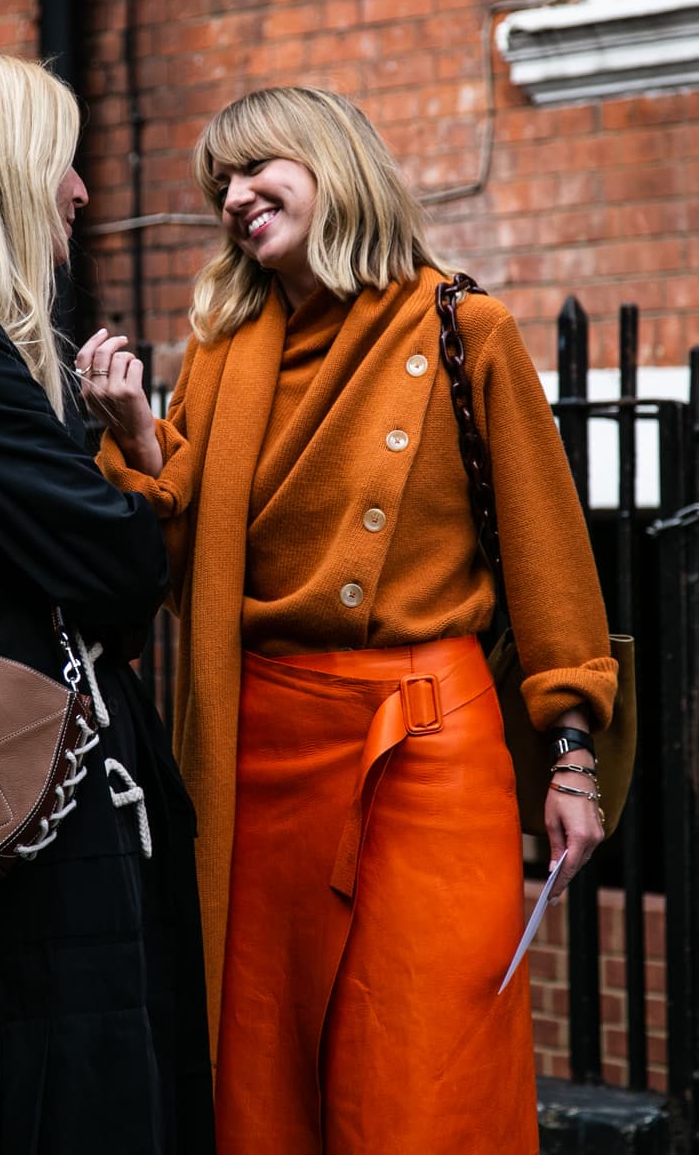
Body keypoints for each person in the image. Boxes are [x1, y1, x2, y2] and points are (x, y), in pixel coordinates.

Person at [88, 86, 619, 1154]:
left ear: (331, 162)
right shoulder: (223, 350)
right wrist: (142, 441)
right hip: (256, 752)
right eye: (219, 186)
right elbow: (173, 565)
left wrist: (569, 758)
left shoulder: (465, 328)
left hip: (425, 746)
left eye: (256, 168)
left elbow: (548, 562)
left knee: (421, 1071)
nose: (234, 197)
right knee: (257, 1073)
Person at [0, 46, 214, 1154]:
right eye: (65, 160)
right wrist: (134, 450)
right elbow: (118, 572)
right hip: (30, 827)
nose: (85, 191)